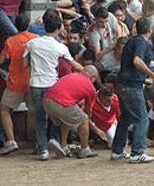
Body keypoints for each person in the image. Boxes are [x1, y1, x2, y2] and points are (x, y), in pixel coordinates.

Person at [24, 11, 84, 160]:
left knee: (40, 118)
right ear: (58, 29)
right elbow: (74, 64)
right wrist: (85, 71)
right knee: (56, 116)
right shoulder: (60, 47)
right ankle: (55, 140)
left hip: (36, 83)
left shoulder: (32, 43)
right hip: (53, 85)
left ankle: (43, 149)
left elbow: (24, 64)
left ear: (44, 26)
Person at [111, 17, 154, 163]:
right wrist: (152, 74)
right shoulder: (142, 42)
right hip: (132, 87)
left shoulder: (131, 41)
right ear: (150, 30)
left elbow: (130, 65)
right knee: (142, 118)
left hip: (122, 84)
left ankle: (117, 150)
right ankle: (137, 152)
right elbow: (137, 61)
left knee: (125, 118)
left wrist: (145, 79)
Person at [0, 14, 38, 155]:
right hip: (32, 81)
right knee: (34, 112)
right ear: (28, 25)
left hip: (15, 82)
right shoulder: (35, 38)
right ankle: (38, 142)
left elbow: (2, 59)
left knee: (4, 110)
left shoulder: (10, 41)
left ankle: (11, 141)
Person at [43, 66, 99, 159]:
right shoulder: (90, 87)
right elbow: (88, 110)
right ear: (93, 77)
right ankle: (85, 149)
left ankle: (63, 146)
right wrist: (91, 125)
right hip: (61, 103)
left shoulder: (71, 75)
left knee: (66, 119)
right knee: (84, 119)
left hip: (46, 100)